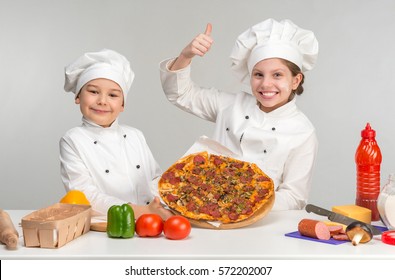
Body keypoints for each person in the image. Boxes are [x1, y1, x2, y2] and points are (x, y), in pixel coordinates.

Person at [159, 19, 319, 211]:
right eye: (258, 74)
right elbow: (181, 94)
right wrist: (186, 55)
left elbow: (295, 197)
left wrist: (244, 206)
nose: (266, 84)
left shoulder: (303, 132)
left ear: (296, 80)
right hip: (206, 209)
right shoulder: (231, 105)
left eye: (277, 75)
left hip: (259, 225)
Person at [61, 48, 172, 220]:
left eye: (113, 95)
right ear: (77, 96)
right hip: (110, 224)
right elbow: (84, 195)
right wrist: (142, 211)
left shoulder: (135, 135)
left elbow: (156, 179)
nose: (102, 101)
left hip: (151, 222)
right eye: (93, 91)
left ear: (122, 105)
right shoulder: (73, 139)